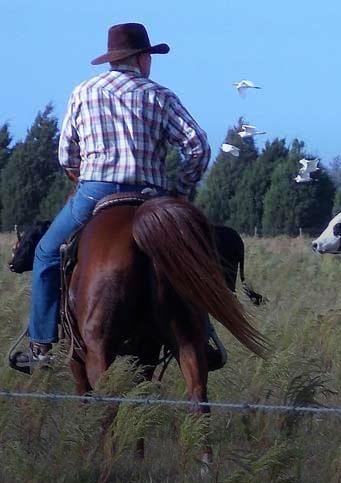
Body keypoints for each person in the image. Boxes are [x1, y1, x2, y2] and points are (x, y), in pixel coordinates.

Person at [12, 22, 211, 373]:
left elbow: (66, 154)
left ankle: (41, 346)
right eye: (149, 56)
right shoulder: (160, 95)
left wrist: (81, 172)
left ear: (113, 58)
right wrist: (181, 188)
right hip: (152, 197)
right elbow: (197, 146)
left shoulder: (83, 92)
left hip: (96, 192)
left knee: (45, 253)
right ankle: (204, 335)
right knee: (195, 257)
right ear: (140, 58)